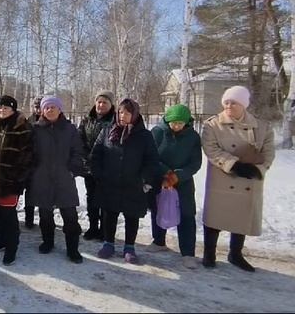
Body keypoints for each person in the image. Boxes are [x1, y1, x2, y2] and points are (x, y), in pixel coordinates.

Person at [201, 86, 275, 272]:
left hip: (248, 180)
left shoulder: (261, 126)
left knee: (241, 216)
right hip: (222, 176)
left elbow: (269, 152)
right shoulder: (213, 124)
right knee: (215, 217)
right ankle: (209, 253)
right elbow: (210, 149)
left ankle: (236, 253)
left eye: (233, 102)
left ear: (243, 104)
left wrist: (258, 169)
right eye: (226, 101)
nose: (229, 105)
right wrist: (233, 164)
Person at [91, 98, 160, 264]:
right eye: (120, 112)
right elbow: (96, 154)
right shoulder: (108, 130)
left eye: (127, 113)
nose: (123, 116)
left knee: (132, 216)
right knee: (109, 214)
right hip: (110, 182)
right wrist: (99, 174)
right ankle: (108, 244)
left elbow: (151, 160)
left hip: (133, 183)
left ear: (134, 114)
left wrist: (144, 179)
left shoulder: (144, 135)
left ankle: (129, 247)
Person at [27, 96, 84, 264]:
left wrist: (72, 170)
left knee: (70, 216)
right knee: (45, 214)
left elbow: (78, 151)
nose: (50, 110)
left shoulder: (70, 129)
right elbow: (29, 152)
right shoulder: (35, 129)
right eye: (46, 107)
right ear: (42, 110)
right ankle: (48, 242)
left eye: (53, 107)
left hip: (64, 178)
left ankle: (73, 249)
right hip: (42, 177)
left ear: (60, 109)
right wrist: (33, 170)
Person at [147, 104, 202, 269]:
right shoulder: (157, 132)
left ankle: (188, 253)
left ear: (187, 122)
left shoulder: (193, 137)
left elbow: (195, 163)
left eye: (180, 123)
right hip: (161, 179)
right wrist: (166, 173)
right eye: (173, 123)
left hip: (182, 182)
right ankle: (158, 241)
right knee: (159, 209)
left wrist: (177, 175)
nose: (176, 126)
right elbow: (151, 156)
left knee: (186, 215)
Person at [0, 95, 33, 265]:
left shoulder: (22, 126)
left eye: (6, 108)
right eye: (0, 107)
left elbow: (27, 155)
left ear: (13, 109)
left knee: (9, 214)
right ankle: (3, 239)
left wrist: (18, 178)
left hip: (10, 180)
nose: (2, 110)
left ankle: (12, 246)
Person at [78, 91, 115, 241]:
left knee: (105, 198)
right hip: (89, 166)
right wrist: (86, 160)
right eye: (99, 102)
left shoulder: (114, 120)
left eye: (105, 102)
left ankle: (104, 231)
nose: (101, 105)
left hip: (107, 167)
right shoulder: (87, 119)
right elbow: (79, 139)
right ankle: (93, 227)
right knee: (91, 198)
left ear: (111, 105)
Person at [24, 95, 43, 229]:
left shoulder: (49, 121)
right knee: (29, 192)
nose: (38, 110)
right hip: (30, 161)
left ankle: (45, 220)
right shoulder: (28, 121)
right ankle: (29, 219)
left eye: (40, 107)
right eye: (36, 107)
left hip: (44, 162)